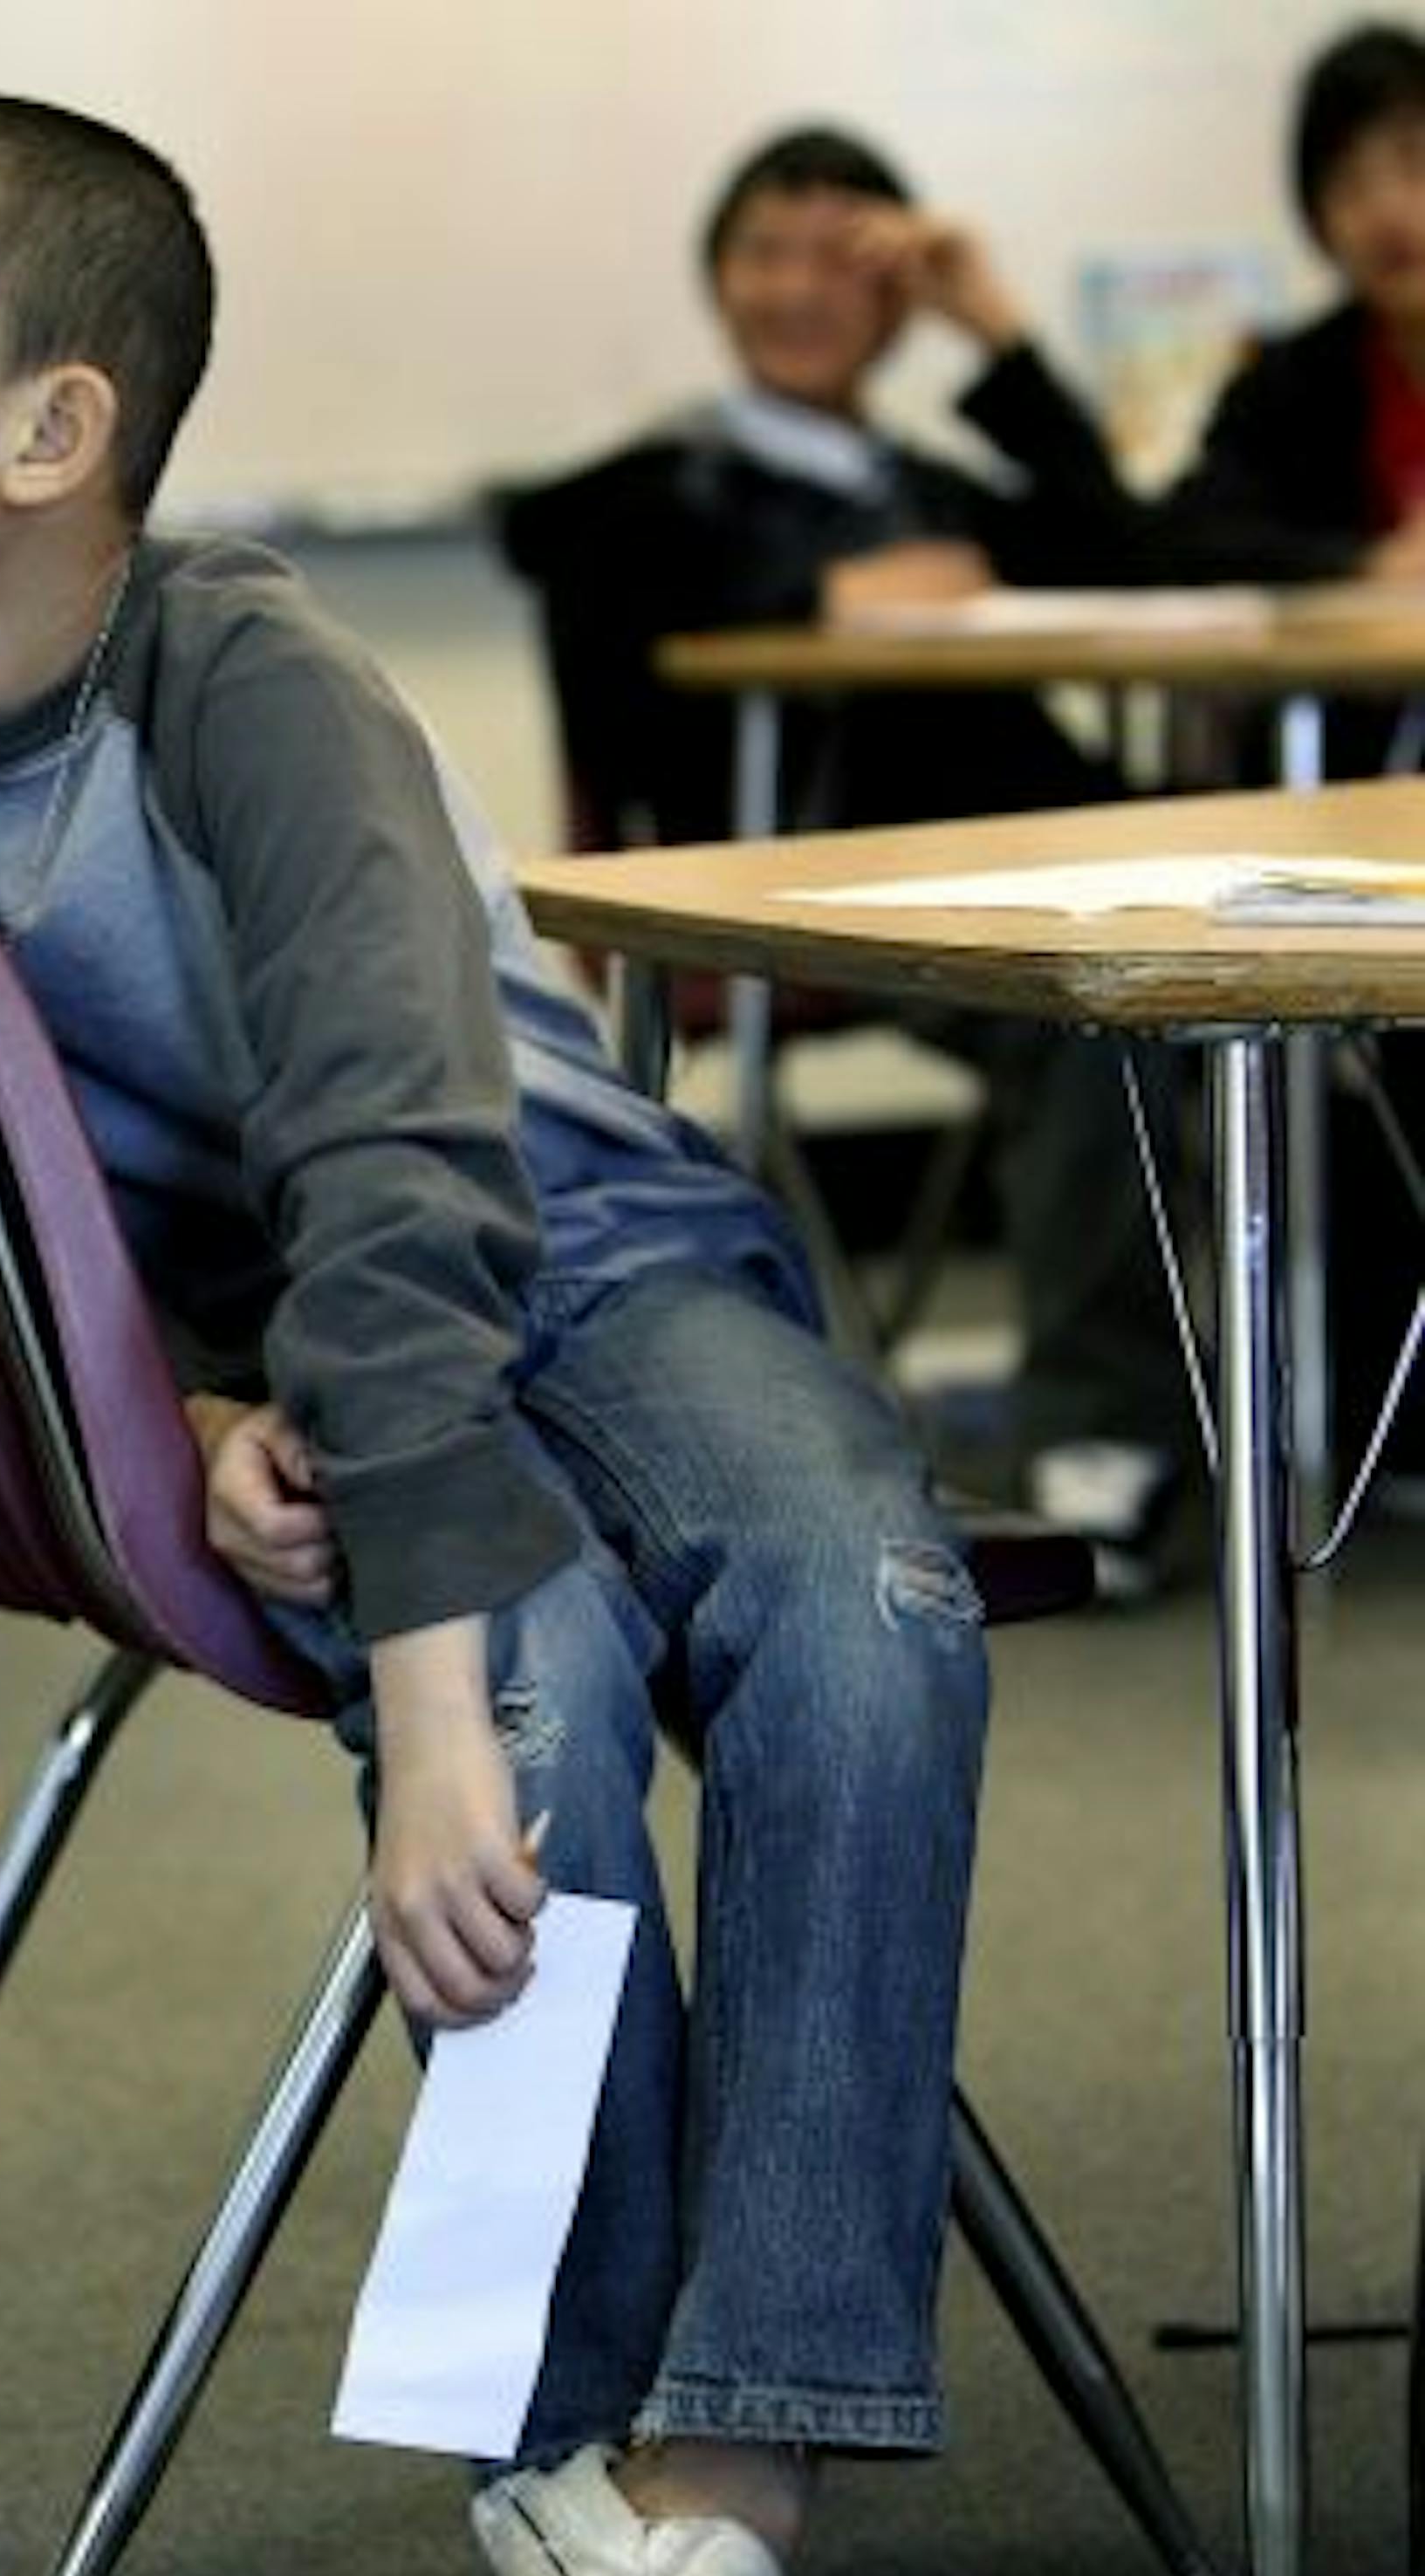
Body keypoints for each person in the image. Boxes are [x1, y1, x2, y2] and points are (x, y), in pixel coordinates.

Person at [0, 97, 988, 2576]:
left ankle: (717, 2484)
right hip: (316, 1367)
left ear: (52, 433)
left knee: (862, 1600)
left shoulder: (246, 681)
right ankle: (583, 2471)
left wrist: (408, 1696)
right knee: (533, 1723)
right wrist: (177, 1417)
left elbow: (403, 1176)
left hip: (584, 1255)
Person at [499, 125, 1195, 1594]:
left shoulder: (931, 487)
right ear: (717, 279)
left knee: (1282, 1003)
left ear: (897, 298)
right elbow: (612, 687)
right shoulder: (644, 498)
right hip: (805, 903)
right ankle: (1100, 1448)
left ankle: (1321, 1413)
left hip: (1038, 870)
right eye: (767, 251)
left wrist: (994, 328)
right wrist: (820, 592)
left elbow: (1143, 557)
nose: (801, 288)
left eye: (845, 258)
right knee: (1098, 1016)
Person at [1157, 21, 1425, 1472]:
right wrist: (1367, 566)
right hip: (1343, 836)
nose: (1389, 211)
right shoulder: (1298, 380)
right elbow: (1192, 537)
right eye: (1351, 182)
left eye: (1416, 166)